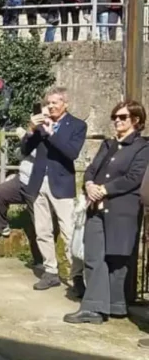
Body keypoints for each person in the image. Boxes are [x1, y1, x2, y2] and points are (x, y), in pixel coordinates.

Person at [64, 101, 149, 325]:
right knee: (94, 257)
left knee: (117, 259)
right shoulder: (108, 145)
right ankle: (93, 308)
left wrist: (105, 190)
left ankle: (115, 305)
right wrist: (90, 184)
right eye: (115, 117)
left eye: (122, 117)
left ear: (136, 120)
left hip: (122, 210)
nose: (117, 121)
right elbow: (92, 169)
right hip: (97, 209)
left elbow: (134, 177)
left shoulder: (142, 148)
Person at [22, 86, 85, 291]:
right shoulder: (40, 125)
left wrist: (50, 134)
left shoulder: (77, 125)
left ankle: (77, 276)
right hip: (39, 181)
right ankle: (51, 271)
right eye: (48, 103)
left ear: (65, 104)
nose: (50, 107)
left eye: (54, 103)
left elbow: (71, 153)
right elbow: (25, 150)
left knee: (68, 231)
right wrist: (31, 130)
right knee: (42, 230)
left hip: (62, 183)